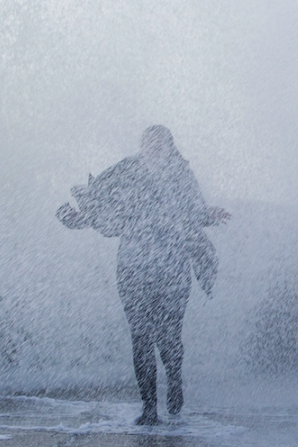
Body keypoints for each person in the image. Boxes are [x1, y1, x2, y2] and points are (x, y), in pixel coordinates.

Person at [56, 125, 229, 426]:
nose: (152, 147)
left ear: (170, 147)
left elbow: (193, 213)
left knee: (169, 335)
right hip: (133, 267)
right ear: (141, 145)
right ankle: (149, 406)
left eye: (159, 143)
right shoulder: (125, 169)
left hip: (173, 265)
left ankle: (174, 379)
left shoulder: (181, 174)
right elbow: (100, 205)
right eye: (148, 142)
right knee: (140, 336)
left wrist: (209, 216)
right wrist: (75, 219)